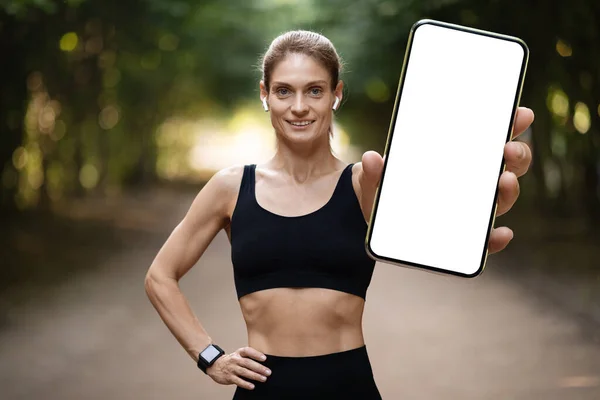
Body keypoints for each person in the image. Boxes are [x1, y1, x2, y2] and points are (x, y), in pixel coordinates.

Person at [144, 30, 534, 399]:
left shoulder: (365, 181)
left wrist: (469, 204)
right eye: (284, 91)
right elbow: (160, 277)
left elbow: (431, 201)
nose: (299, 106)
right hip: (261, 389)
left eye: (314, 90)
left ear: (336, 94)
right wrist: (209, 357)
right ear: (265, 95)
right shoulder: (230, 187)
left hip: (349, 386)